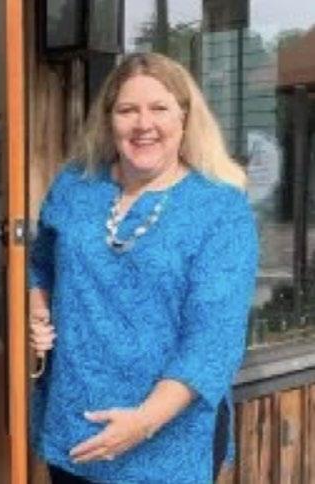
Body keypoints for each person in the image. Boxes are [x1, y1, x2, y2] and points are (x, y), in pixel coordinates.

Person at [28, 52, 258, 484]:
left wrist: (143, 423)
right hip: (74, 428)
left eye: (159, 108)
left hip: (169, 440)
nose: (143, 124)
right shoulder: (75, 185)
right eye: (127, 110)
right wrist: (36, 311)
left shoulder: (220, 208)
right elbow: (39, 265)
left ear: (184, 117)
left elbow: (213, 343)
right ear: (108, 119)